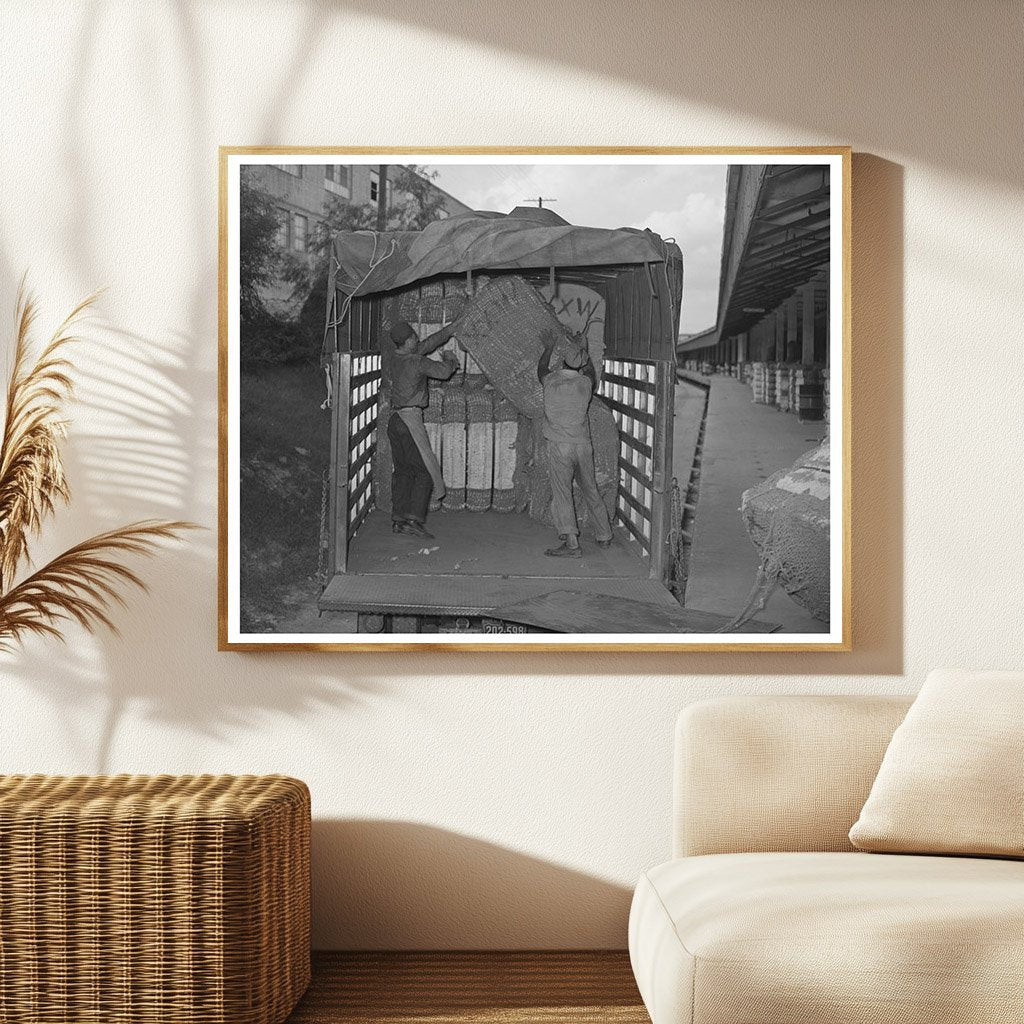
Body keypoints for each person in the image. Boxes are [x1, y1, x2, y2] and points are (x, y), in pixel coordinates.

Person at [536, 328, 613, 557]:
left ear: (561, 363)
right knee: (591, 489)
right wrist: (584, 348)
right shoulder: (585, 385)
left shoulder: (550, 381)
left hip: (560, 446)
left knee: (562, 492)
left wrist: (548, 347)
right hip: (582, 445)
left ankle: (571, 544)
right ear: (580, 365)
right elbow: (591, 372)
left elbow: (541, 368)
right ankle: (604, 536)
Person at [388, 319, 459, 539]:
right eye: (414, 338)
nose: (417, 339)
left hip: (394, 421)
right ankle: (413, 520)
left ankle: (399, 520)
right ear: (408, 341)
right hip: (409, 421)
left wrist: (449, 330)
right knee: (425, 472)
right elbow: (444, 372)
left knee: (403, 472)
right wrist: (450, 357)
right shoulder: (416, 362)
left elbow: (427, 344)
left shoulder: (396, 357)